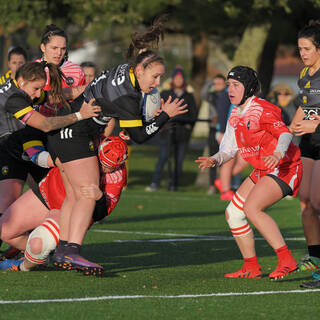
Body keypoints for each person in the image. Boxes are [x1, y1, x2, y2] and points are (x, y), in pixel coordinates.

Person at [47, 17, 188, 272]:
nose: (157, 83)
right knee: (89, 191)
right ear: (142, 70)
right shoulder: (127, 94)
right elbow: (141, 137)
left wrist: (147, 116)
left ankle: (63, 248)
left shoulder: (126, 68)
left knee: (75, 195)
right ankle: (71, 251)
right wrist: (166, 115)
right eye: (155, 77)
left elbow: (127, 116)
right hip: (75, 134)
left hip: (63, 133)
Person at [196, 66, 302, 280]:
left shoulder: (263, 108)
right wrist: (214, 159)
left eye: (236, 85)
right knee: (233, 214)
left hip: (284, 166)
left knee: (252, 208)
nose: (230, 90)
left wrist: (279, 153)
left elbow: (285, 133)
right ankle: (251, 267)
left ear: (250, 87)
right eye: (228, 85)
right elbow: (228, 149)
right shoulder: (235, 112)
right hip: (263, 169)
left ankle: (287, 260)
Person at [0, 136, 127, 274]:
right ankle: (40, 254)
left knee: (38, 246)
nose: (106, 170)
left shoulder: (117, 176)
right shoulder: (85, 140)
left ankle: (23, 265)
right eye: (103, 164)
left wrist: (100, 197)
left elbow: (100, 214)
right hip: (47, 191)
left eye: (111, 167)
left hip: (67, 210)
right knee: (4, 230)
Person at [0, 61, 100, 215]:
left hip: (15, 147)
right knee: (7, 211)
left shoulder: (20, 89)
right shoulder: (14, 99)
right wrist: (80, 115)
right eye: (36, 89)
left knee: (14, 212)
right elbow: (46, 124)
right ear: (22, 82)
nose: (38, 94)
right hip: (9, 150)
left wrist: (93, 86)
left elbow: (57, 96)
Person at [288, 20, 320, 275]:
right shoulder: (303, 75)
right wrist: (286, 134)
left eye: (307, 48)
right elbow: (304, 105)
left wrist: (316, 128)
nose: (303, 54)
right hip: (309, 144)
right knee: (306, 202)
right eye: (300, 49)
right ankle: (315, 257)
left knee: (318, 200)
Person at [145, 65, 197, 192]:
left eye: (181, 78)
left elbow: (193, 114)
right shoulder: (165, 93)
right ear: (172, 79)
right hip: (167, 132)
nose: (178, 80)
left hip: (182, 133)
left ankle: (174, 185)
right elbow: (157, 111)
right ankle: (155, 183)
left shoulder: (189, 96)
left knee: (178, 161)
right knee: (163, 158)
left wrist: (187, 125)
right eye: (176, 77)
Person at [35, 24, 86, 117]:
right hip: (37, 125)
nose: (59, 53)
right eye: (54, 48)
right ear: (43, 47)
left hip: (68, 124)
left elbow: (83, 101)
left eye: (63, 49)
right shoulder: (32, 69)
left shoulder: (77, 70)